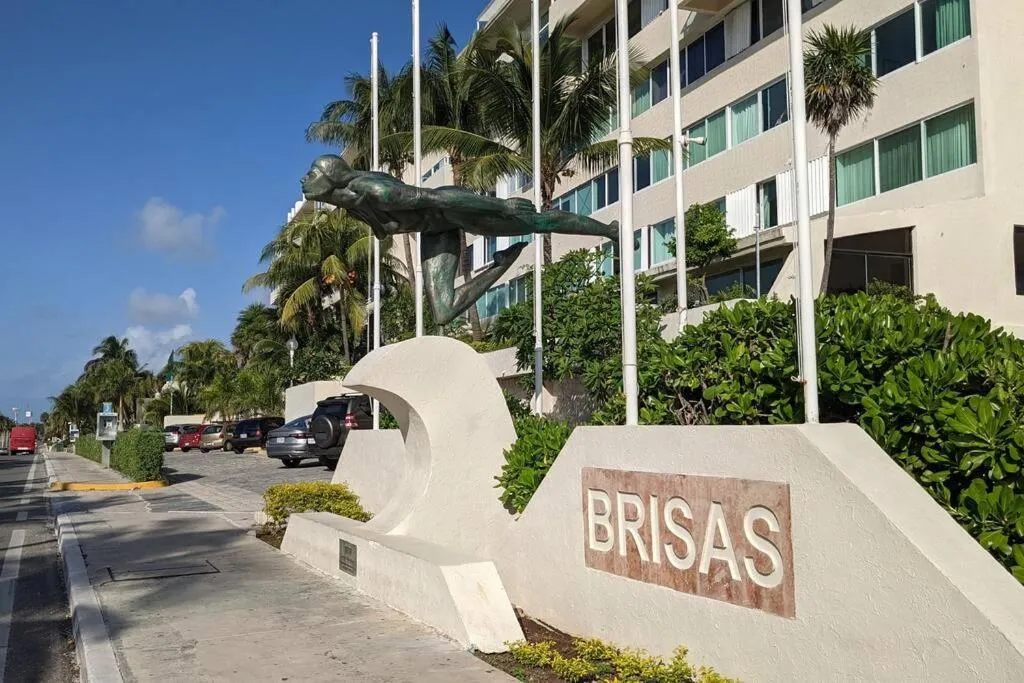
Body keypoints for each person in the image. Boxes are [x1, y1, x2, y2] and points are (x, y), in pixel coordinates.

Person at [301, 154, 618, 325]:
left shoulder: (378, 191)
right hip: (435, 230)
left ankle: (608, 230)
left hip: (457, 209)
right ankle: (502, 264)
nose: (305, 178)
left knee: (539, 222)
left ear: (331, 177)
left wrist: (500, 205)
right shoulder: (352, 205)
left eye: (312, 172)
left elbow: (437, 200)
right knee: (443, 312)